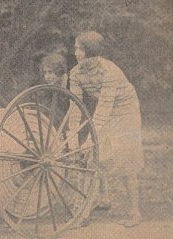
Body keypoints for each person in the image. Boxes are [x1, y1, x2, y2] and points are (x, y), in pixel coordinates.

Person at [68, 31, 144, 227]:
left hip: (125, 110)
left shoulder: (110, 72)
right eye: (76, 47)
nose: (75, 52)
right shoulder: (75, 73)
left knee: (126, 159)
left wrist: (87, 142)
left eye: (80, 48)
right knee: (93, 155)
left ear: (91, 51)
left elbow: (102, 111)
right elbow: (74, 107)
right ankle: (98, 201)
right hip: (106, 109)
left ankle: (135, 213)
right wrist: (73, 139)